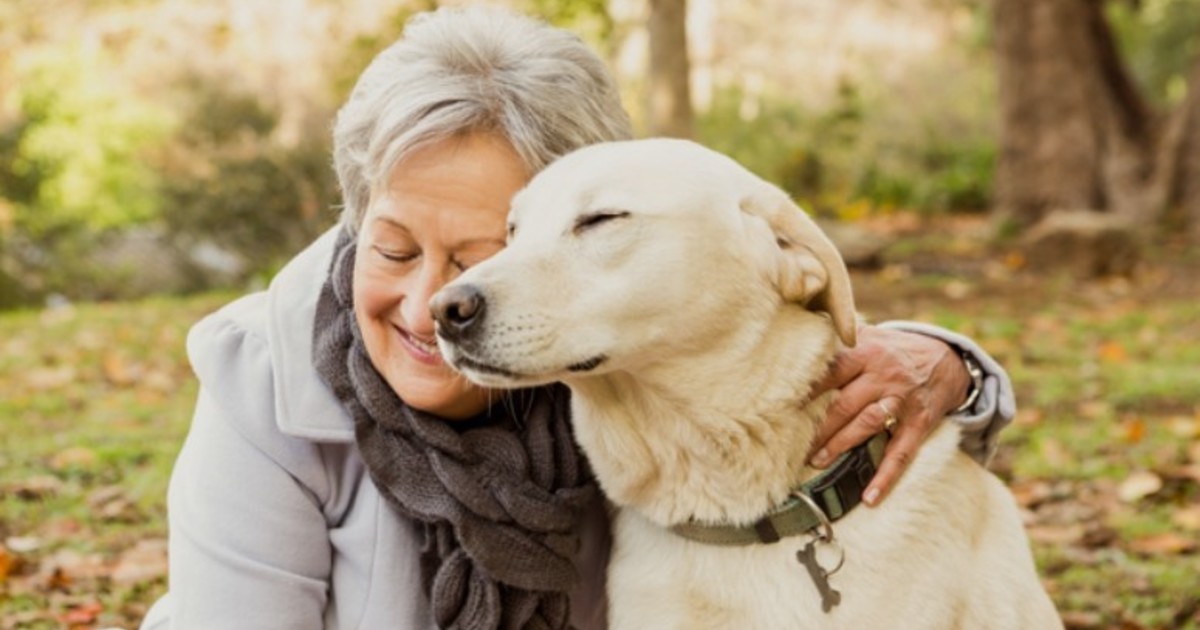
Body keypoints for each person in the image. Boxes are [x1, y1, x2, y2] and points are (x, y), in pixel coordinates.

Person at [141, 6, 1015, 629]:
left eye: (483, 254)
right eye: (394, 248)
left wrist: (950, 363)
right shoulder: (264, 375)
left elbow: (765, 340)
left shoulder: (610, 355)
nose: (433, 304)